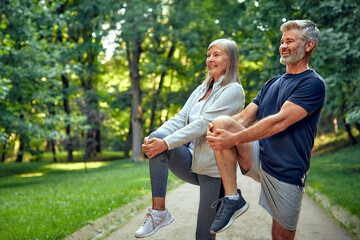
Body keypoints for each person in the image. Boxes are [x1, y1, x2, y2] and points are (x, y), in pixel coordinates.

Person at [206, 20, 326, 240]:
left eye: (290, 41)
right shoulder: (272, 83)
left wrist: (233, 138)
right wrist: (214, 130)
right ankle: (233, 199)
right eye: (282, 41)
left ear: (308, 45)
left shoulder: (313, 83)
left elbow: (279, 121)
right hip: (258, 157)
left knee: (281, 237)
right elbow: (242, 118)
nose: (283, 46)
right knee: (221, 123)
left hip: (287, 170)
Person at [135, 39, 245, 240]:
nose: (210, 59)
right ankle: (158, 212)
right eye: (208, 55)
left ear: (231, 59)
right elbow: (180, 119)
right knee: (156, 138)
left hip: (213, 171)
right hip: (190, 161)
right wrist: (156, 139)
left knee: (203, 234)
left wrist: (166, 143)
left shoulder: (233, 91)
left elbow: (204, 124)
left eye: (217, 54)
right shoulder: (202, 89)